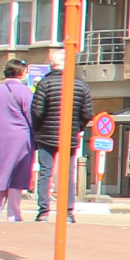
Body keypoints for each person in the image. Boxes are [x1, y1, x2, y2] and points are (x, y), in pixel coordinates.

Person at [29, 63, 95, 223]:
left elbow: (37, 111)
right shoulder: (80, 85)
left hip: (46, 134)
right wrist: (77, 127)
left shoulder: (44, 84)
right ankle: (67, 212)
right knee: (68, 174)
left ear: (52, 66)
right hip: (69, 135)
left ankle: (44, 211)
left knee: (46, 172)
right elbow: (87, 113)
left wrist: (38, 129)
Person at [0, 60, 34, 222]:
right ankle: (14, 214)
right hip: (21, 139)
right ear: (21, 73)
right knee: (18, 176)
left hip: (0, 139)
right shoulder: (25, 92)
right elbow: (32, 117)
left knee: (1, 175)